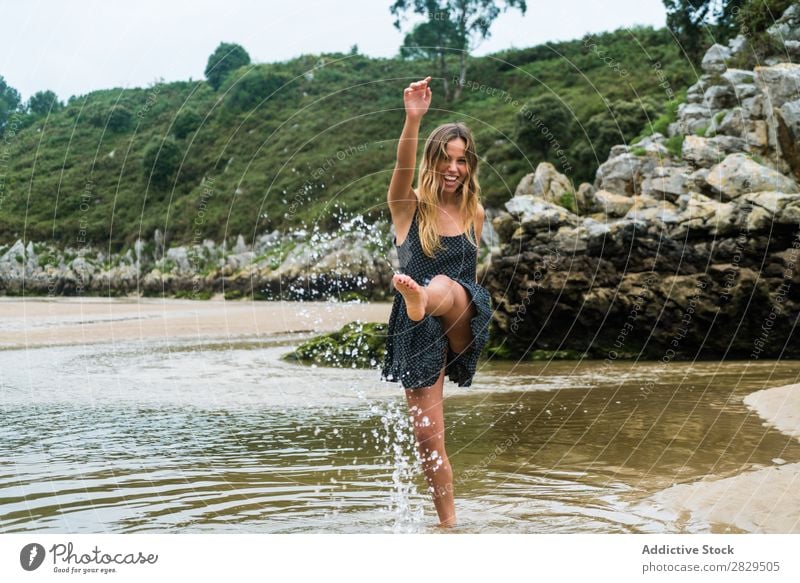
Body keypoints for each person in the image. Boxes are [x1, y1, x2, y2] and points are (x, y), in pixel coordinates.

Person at [380, 75, 492, 527]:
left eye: (462, 161)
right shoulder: (407, 208)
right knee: (427, 437)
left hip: (461, 312)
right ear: (432, 161)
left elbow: (469, 272)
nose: (454, 168)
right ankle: (449, 525)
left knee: (443, 283)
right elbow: (402, 169)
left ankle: (422, 296)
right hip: (417, 326)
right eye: (446, 159)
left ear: (470, 165)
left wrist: (427, 297)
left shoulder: (475, 212)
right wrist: (413, 119)